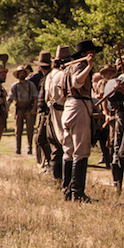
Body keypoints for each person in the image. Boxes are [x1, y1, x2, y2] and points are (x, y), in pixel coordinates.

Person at [61, 39, 102, 202]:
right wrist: (90, 66)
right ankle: (77, 193)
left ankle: (67, 191)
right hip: (79, 105)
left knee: (69, 150)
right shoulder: (81, 66)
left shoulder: (68, 67)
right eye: (91, 52)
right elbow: (77, 83)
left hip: (69, 106)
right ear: (85, 53)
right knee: (80, 150)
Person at [45, 45, 73, 184]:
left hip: (53, 112)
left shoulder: (51, 75)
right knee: (67, 146)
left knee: (57, 146)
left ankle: (57, 178)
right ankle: (66, 181)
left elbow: (46, 97)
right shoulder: (65, 75)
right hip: (63, 111)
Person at [103, 73, 124, 196]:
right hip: (120, 116)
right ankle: (117, 185)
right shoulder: (119, 85)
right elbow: (107, 100)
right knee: (119, 152)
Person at [29, 51, 52, 170]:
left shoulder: (49, 77)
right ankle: (48, 162)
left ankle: (50, 162)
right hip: (43, 111)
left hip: (47, 113)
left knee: (41, 138)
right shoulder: (44, 78)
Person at [9, 64, 38, 155]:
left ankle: (30, 147)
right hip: (19, 109)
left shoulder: (31, 85)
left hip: (29, 108)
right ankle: (18, 148)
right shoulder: (15, 86)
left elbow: (35, 98)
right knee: (18, 130)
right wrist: (6, 108)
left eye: (23, 73)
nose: (22, 75)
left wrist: (34, 109)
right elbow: (10, 98)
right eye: (20, 73)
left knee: (30, 129)